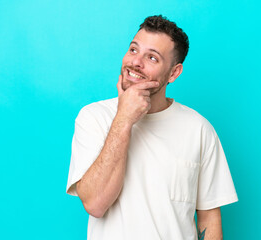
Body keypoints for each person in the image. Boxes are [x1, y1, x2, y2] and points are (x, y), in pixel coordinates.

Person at [66, 15, 238, 240]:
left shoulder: (199, 129)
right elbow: (95, 205)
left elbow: (209, 217)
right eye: (133, 50)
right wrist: (124, 118)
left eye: (152, 58)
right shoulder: (94, 117)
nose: (135, 62)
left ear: (174, 73)